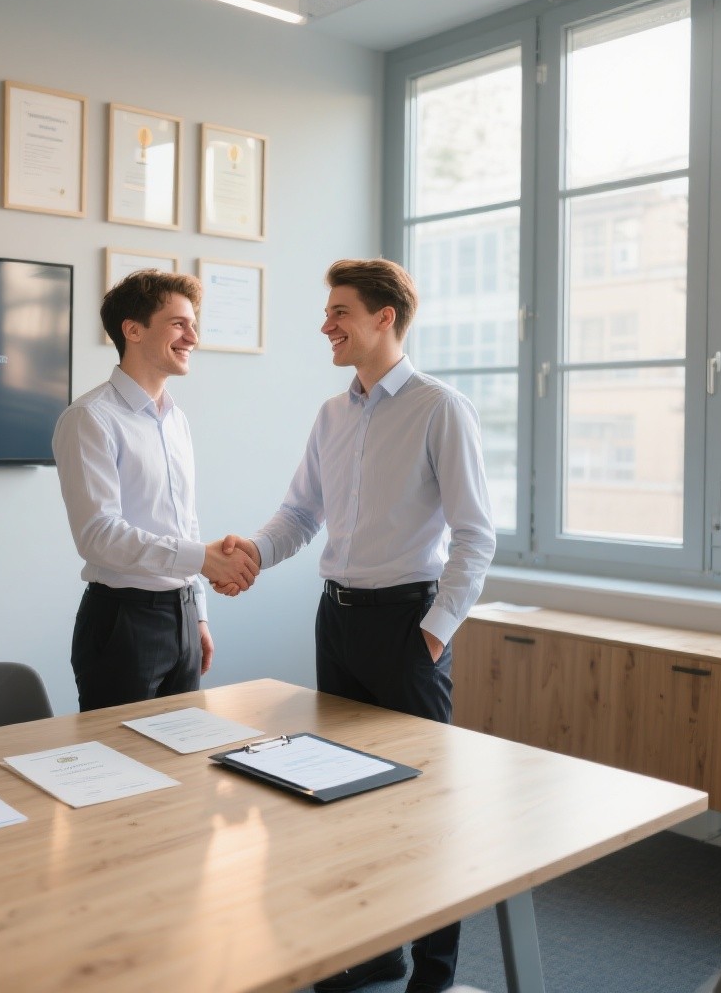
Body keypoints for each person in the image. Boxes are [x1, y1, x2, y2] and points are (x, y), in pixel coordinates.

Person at [218, 258, 496, 993]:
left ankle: (433, 975)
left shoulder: (441, 408)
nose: (326, 326)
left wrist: (433, 634)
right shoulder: (332, 414)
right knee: (343, 794)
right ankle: (370, 954)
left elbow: (476, 537)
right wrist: (253, 553)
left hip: (407, 626)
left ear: (384, 317)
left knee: (424, 807)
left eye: (339, 311)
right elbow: (300, 514)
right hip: (336, 622)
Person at [53, 269, 258, 712]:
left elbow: (185, 523)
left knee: (184, 750)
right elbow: (99, 536)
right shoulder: (89, 418)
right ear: (133, 330)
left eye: (193, 325)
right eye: (179, 324)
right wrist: (202, 559)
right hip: (122, 621)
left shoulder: (176, 419)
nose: (193, 338)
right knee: (120, 754)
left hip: (181, 616)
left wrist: (197, 613)